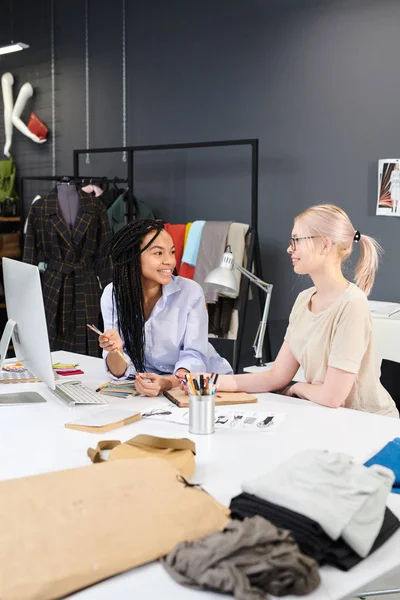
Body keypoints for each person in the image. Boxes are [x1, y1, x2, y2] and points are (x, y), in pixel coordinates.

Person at [194, 204, 398, 418]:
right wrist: (211, 380)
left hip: (370, 424)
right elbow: (276, 376)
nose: (289, 249)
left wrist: (297, 387)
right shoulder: (303, 300)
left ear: (325, 245)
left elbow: (332, 397)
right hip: (331, 419)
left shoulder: (352, 304)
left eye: (296, 240)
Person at [98, 219, 232, 397]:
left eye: (172, 252)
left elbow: (194, 356)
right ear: (133, 257)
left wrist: (168, 383)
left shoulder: (190, 292)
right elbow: (119, 372)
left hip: (203, 386)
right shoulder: (112, 295)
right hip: (154, 389)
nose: (170, 261)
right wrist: (116, 350)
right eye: (158, 253)